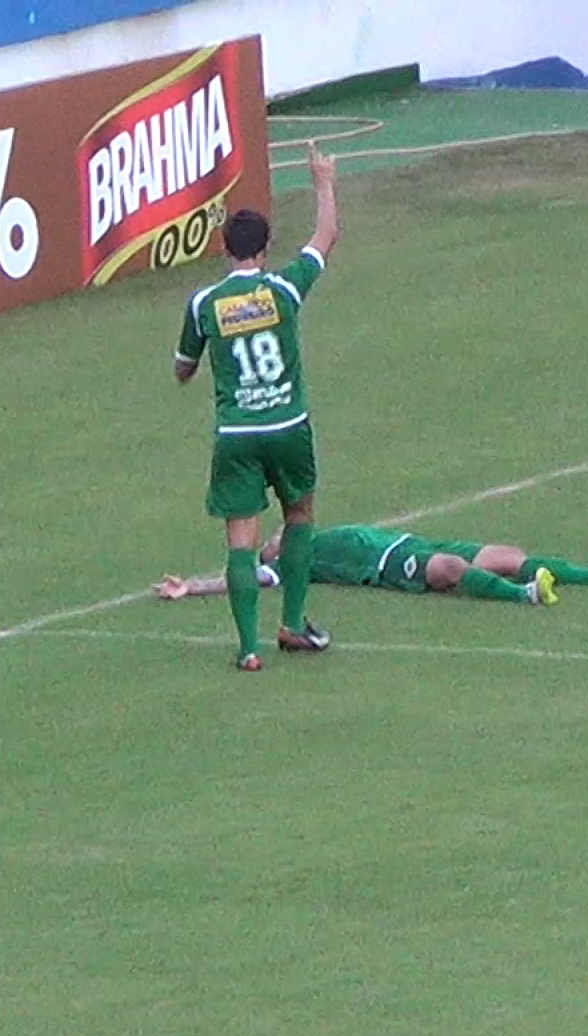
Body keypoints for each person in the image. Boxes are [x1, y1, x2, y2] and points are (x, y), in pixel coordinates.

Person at [174, 142, 340, 672]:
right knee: (299, 516)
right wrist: (323, 182)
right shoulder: (285, 289)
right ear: (265, 249)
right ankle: (292, 624)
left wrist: (194, 366)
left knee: (241, 536)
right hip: (289, 424)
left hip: (237, 434)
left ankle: (248, 648)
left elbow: (183, 367)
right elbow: (325, 238)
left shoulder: (205, 303)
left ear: (227, 250)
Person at [155, 525, 588, 605]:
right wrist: (192, 588)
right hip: (391, 564)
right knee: (451, 568)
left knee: (504, 554)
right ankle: (526, 596)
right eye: (268, 544)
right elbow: (243, 579)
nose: (273, 537)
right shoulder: (288, 566)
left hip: (408, 541)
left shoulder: (306, 533)